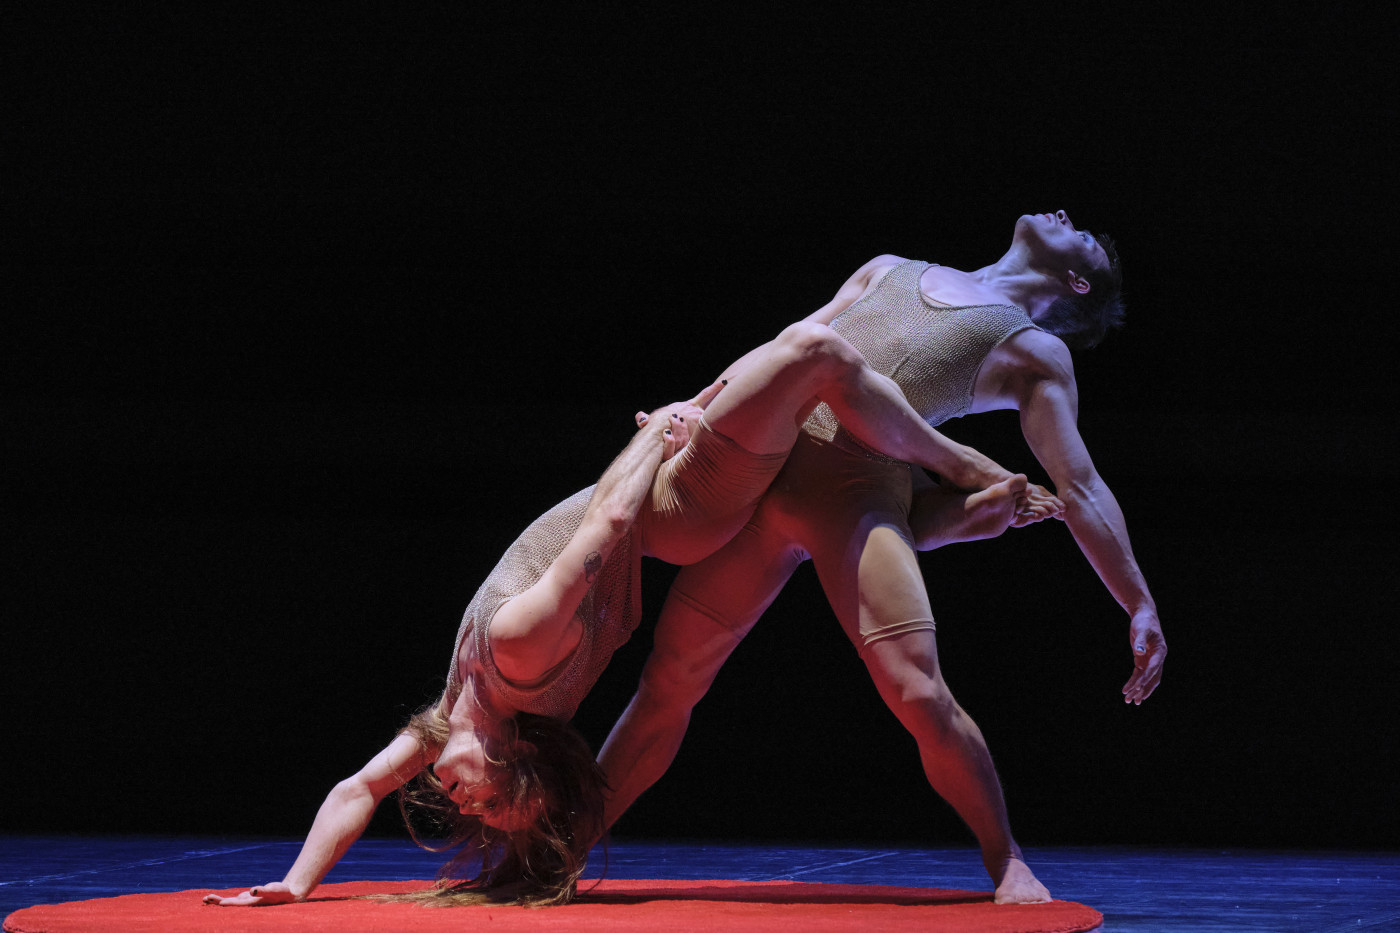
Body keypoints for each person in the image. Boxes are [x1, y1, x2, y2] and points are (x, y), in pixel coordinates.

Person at [205, 320, 1061, 908]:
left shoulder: (462, 704)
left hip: (668, 503)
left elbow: (356, 787)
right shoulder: (514, 659)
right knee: (813, 360)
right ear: (510, 755)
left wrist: (295, 880)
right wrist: (665, 431)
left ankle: (956, 488)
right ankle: (955, 507)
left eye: (472, 805)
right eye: (485, 802)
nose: (457, 801)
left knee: (816, 355)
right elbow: (610, 522)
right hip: (676, 512)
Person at [595, 210, 1168, 905]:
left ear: (1076, 282)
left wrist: (1137, 601)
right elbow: (781, 347)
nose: (1067, 217)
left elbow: (1081, 487)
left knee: (918, 692)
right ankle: (564, 848)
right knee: (669, 678)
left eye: (1082, 237)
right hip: (766, 476)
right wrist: (697, 405)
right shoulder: (890, 268)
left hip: (856, 497)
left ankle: (1007, 859)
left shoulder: (1035, 351)